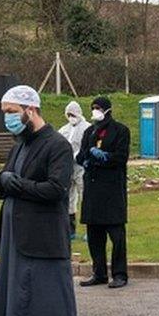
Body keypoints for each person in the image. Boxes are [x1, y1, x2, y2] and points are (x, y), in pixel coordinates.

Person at [0, 85, 80, 316]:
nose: (8, 119)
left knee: (50, 314)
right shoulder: (21, 144)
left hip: (45, 244)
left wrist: (15, 184)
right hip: (18, 242)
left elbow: (56, 189)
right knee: (19, 311)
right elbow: (6, 178)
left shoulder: (56, 145)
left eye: (12, 113)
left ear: (31, 111)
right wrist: (4, 182)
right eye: (5, 113)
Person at [76, 96, 130, 289]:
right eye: (92, 108)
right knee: (94, 236)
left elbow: (120, 158)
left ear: (107, 109)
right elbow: (82, 155)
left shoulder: (121, 130)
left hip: (112, 190)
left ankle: (120, 274)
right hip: (93, 189)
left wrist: (104, 157)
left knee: (117, 236)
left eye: (98, 108)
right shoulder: (89, 131)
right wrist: (85, 158)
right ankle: (99, 273)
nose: (94, 111)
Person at [57, 101, 89, 239]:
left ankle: (90, 229)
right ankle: (70, 229)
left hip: (82, 167)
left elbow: (87, 147)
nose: (71, 117)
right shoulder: (64, 130)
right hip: (68, 167)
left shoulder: (87, 128)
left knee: (86, 196)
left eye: (73, 114)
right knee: (69, 198)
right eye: (68, 114)